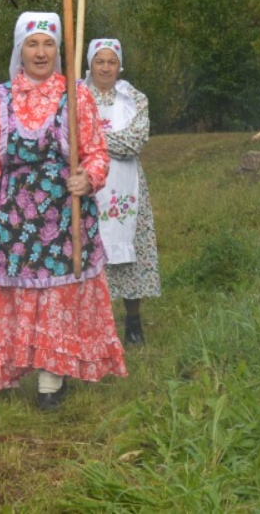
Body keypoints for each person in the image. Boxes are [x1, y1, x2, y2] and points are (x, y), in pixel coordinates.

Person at [0, 12, 126, 411]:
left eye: (48, 44)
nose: (40, 52)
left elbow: (97, 153)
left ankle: (50, 380)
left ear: (58, 50)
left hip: (64, 213)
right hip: (14, 219)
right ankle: (34, 367)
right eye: (32, 44)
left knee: (58, 294)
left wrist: (88, 178)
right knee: (24, 294)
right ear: (19, 49)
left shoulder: (77, 95)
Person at [84, 38, 161, 345]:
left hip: (127, 186)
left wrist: (92, 139)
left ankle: (133, 321)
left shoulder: (135, 98)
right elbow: (68, 140)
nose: (105, 68)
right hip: (86, 186)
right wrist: (103, 141)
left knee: (131, 254)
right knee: (88, 252)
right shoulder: (76, 97)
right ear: (90, 64)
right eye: (99, 61)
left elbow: (134, 142)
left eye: (111, 62)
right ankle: (91, 323)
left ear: (120, 66)